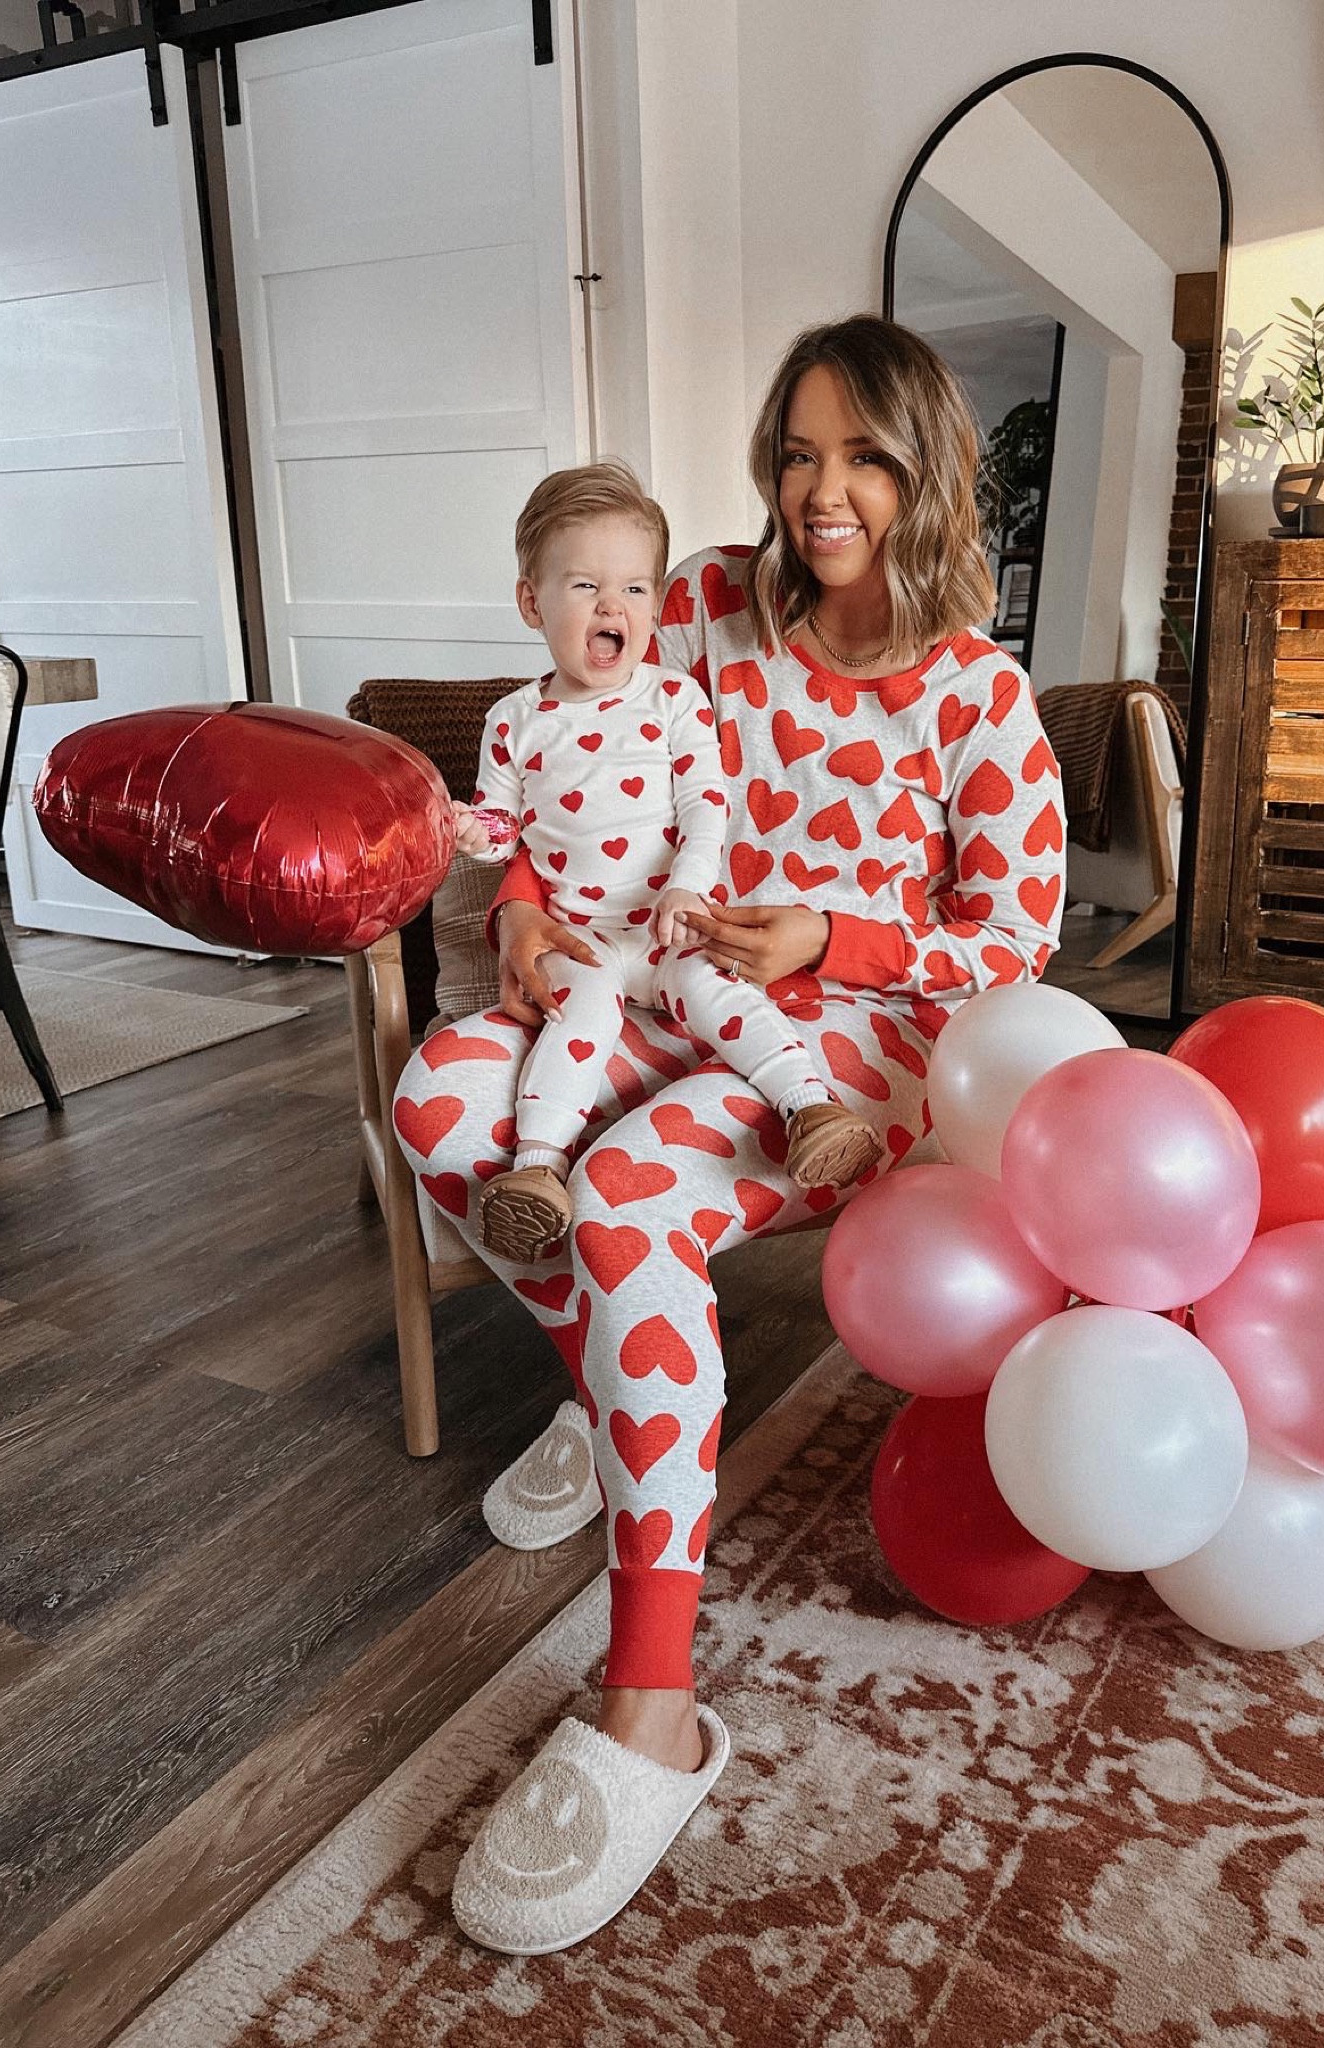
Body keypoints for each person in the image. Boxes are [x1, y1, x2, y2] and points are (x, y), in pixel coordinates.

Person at [392, 315, 1066, 1956]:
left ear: (926, 471)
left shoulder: (975, 692)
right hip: (643, 976)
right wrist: (525, 905)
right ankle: (625, 1389)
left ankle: (652, 1701)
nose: (819, 491)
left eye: (861, 457)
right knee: (437, 1104)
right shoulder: (697, 600)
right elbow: (570, 754)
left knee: (624, 1192)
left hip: (846, 1044)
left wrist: (830, 938)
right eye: (795, 452)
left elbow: (1018, 930)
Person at [453, 461, 882, 1263]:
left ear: (654, 603)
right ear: (531, 603)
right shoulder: (513, 720)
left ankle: (810, 1108)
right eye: (584, 587)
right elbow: (504, 825)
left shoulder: (673, 700)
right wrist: (474, 831)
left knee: (721, 993)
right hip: (581, 936)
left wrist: (686, 889)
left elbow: (705, 805)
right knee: (574, 1023)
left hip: (671, 923)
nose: (612, 607)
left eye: (635, 588)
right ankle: (537, 1169)